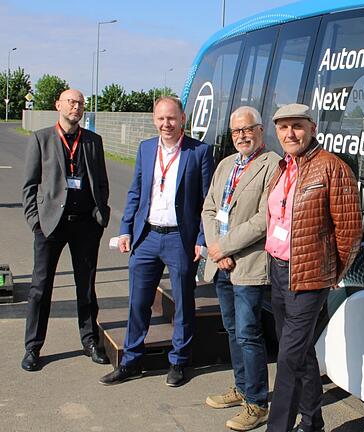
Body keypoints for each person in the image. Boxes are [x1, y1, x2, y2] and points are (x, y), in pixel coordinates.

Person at [99, 96, 213, 387]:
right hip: (147, 236)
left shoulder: (199, 152)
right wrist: (126, 230)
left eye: (172, 118)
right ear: (154, 119)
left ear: (183, 119)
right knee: (138, 302)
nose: (166, 124)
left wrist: (201, 238)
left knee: (184, 303)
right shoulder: (146, 148)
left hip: (179, 238)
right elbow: (136, 192)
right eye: (161, 119)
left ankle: (179, 362)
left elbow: (205, 202)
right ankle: (131, 360)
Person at [264, 104, 363, 432]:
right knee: (301, 352)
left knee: (288, 360)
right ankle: (312, 423)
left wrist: (334, 272)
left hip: (309, 276)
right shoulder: (283, 167)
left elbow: (349, 228)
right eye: (283, 127)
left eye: (297, 126)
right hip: (278, 271)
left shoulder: (332, 168)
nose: (290, 133)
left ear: (312, 127)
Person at [20, 89, 111, 371]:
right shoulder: (42, 138)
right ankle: (33, 347)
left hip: (85, 225)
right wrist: (36, 221)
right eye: (71, 101)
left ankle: (89, 341)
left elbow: (102, 182)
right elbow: (30, 185)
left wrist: (99, 216)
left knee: (86, 287)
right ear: (58, 105)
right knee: (40, 288)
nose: (76, 106)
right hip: (50, 225)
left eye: (81, 103)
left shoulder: (93, 141)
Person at [201, 106, 280, 430]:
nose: (242, 136)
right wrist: (216, 251)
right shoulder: (225, 165)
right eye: (236, 131)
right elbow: (208, 208)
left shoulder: (272, 164)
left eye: (247, 129)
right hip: (222, 263)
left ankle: (257, 403)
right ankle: (242, 387)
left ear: (260, 130)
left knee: (249, 333)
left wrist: (226, 246)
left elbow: (265, 218)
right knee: (233, 331)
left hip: (248, 264)